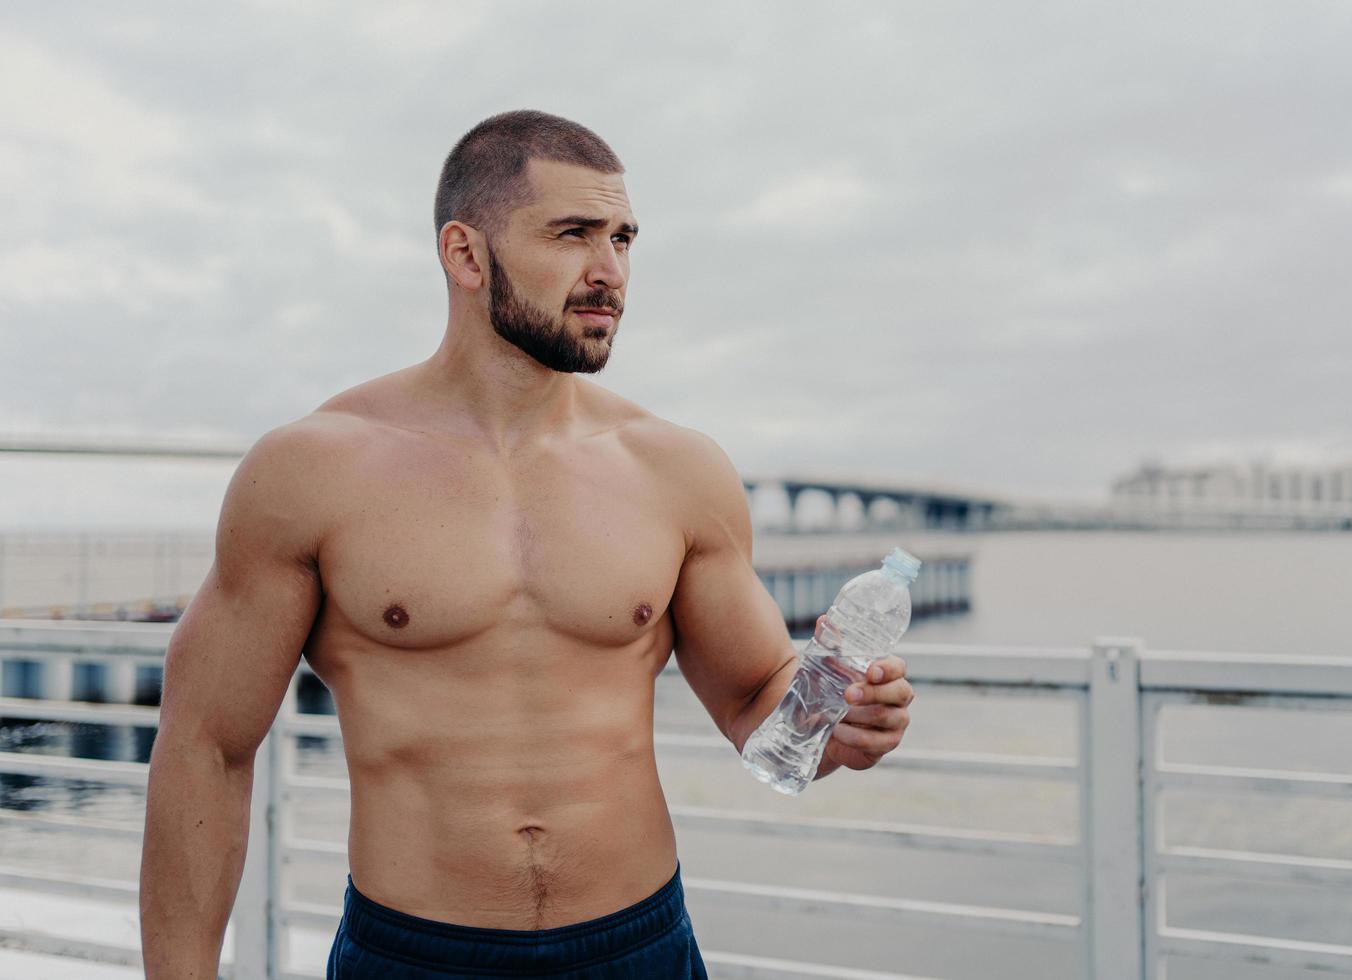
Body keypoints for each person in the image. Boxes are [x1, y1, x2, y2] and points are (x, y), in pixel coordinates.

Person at [139, 109, 916, 978]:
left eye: (623, 238)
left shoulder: (678, 471)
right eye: (574, 234)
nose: (609, 271)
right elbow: (207, 745)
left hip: (637, 946)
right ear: (466, 255)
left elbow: (755, 696)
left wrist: (838, 726)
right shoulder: (313, 472)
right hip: (415, 954)